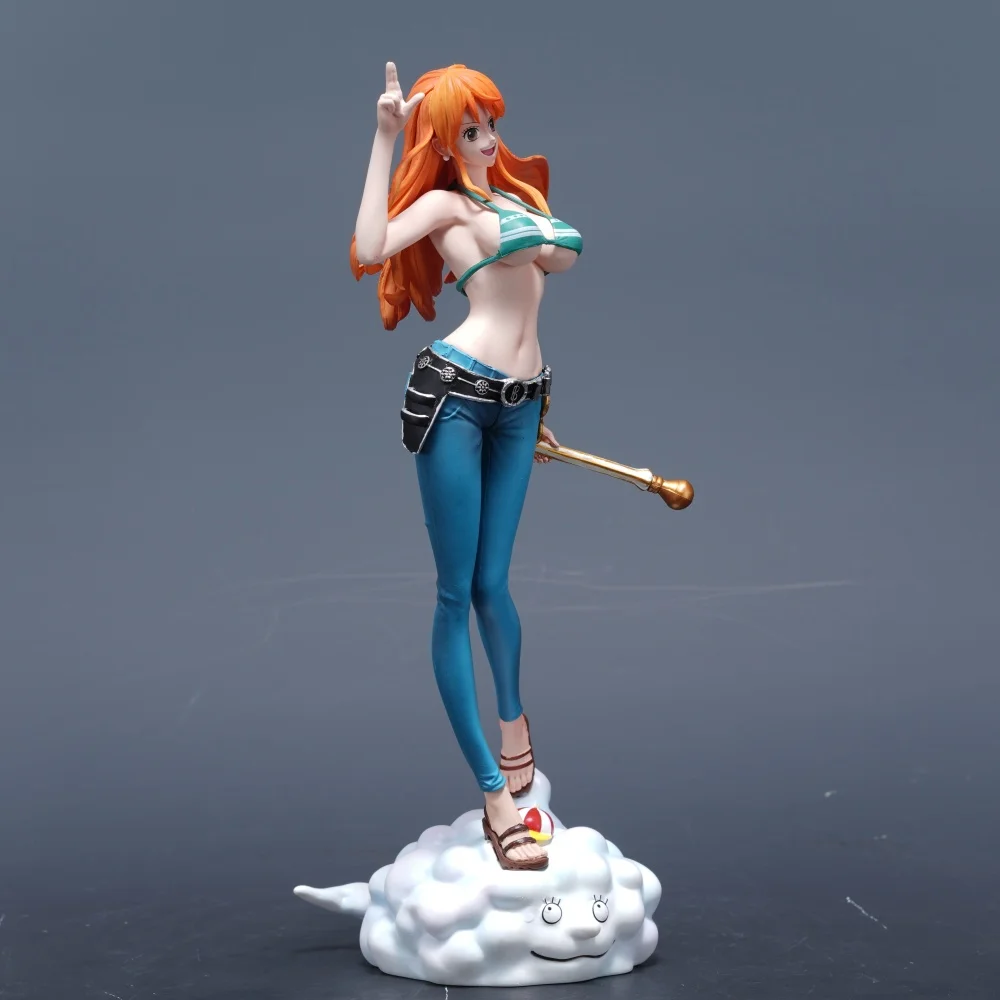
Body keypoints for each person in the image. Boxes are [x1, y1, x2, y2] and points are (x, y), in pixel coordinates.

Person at [351, 62, 582, 871]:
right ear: (445, 145)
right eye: (469, 131)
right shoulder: (446, 205)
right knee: (455, 594)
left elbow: (556, 259)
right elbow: (369, 247)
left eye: (489, 125)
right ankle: (492, 791)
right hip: (454, 396)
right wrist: (385, 138)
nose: (486, 141)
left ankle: (515, 726)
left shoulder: (515, 202)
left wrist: (539, 412)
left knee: (494, 584)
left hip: (523, 404)